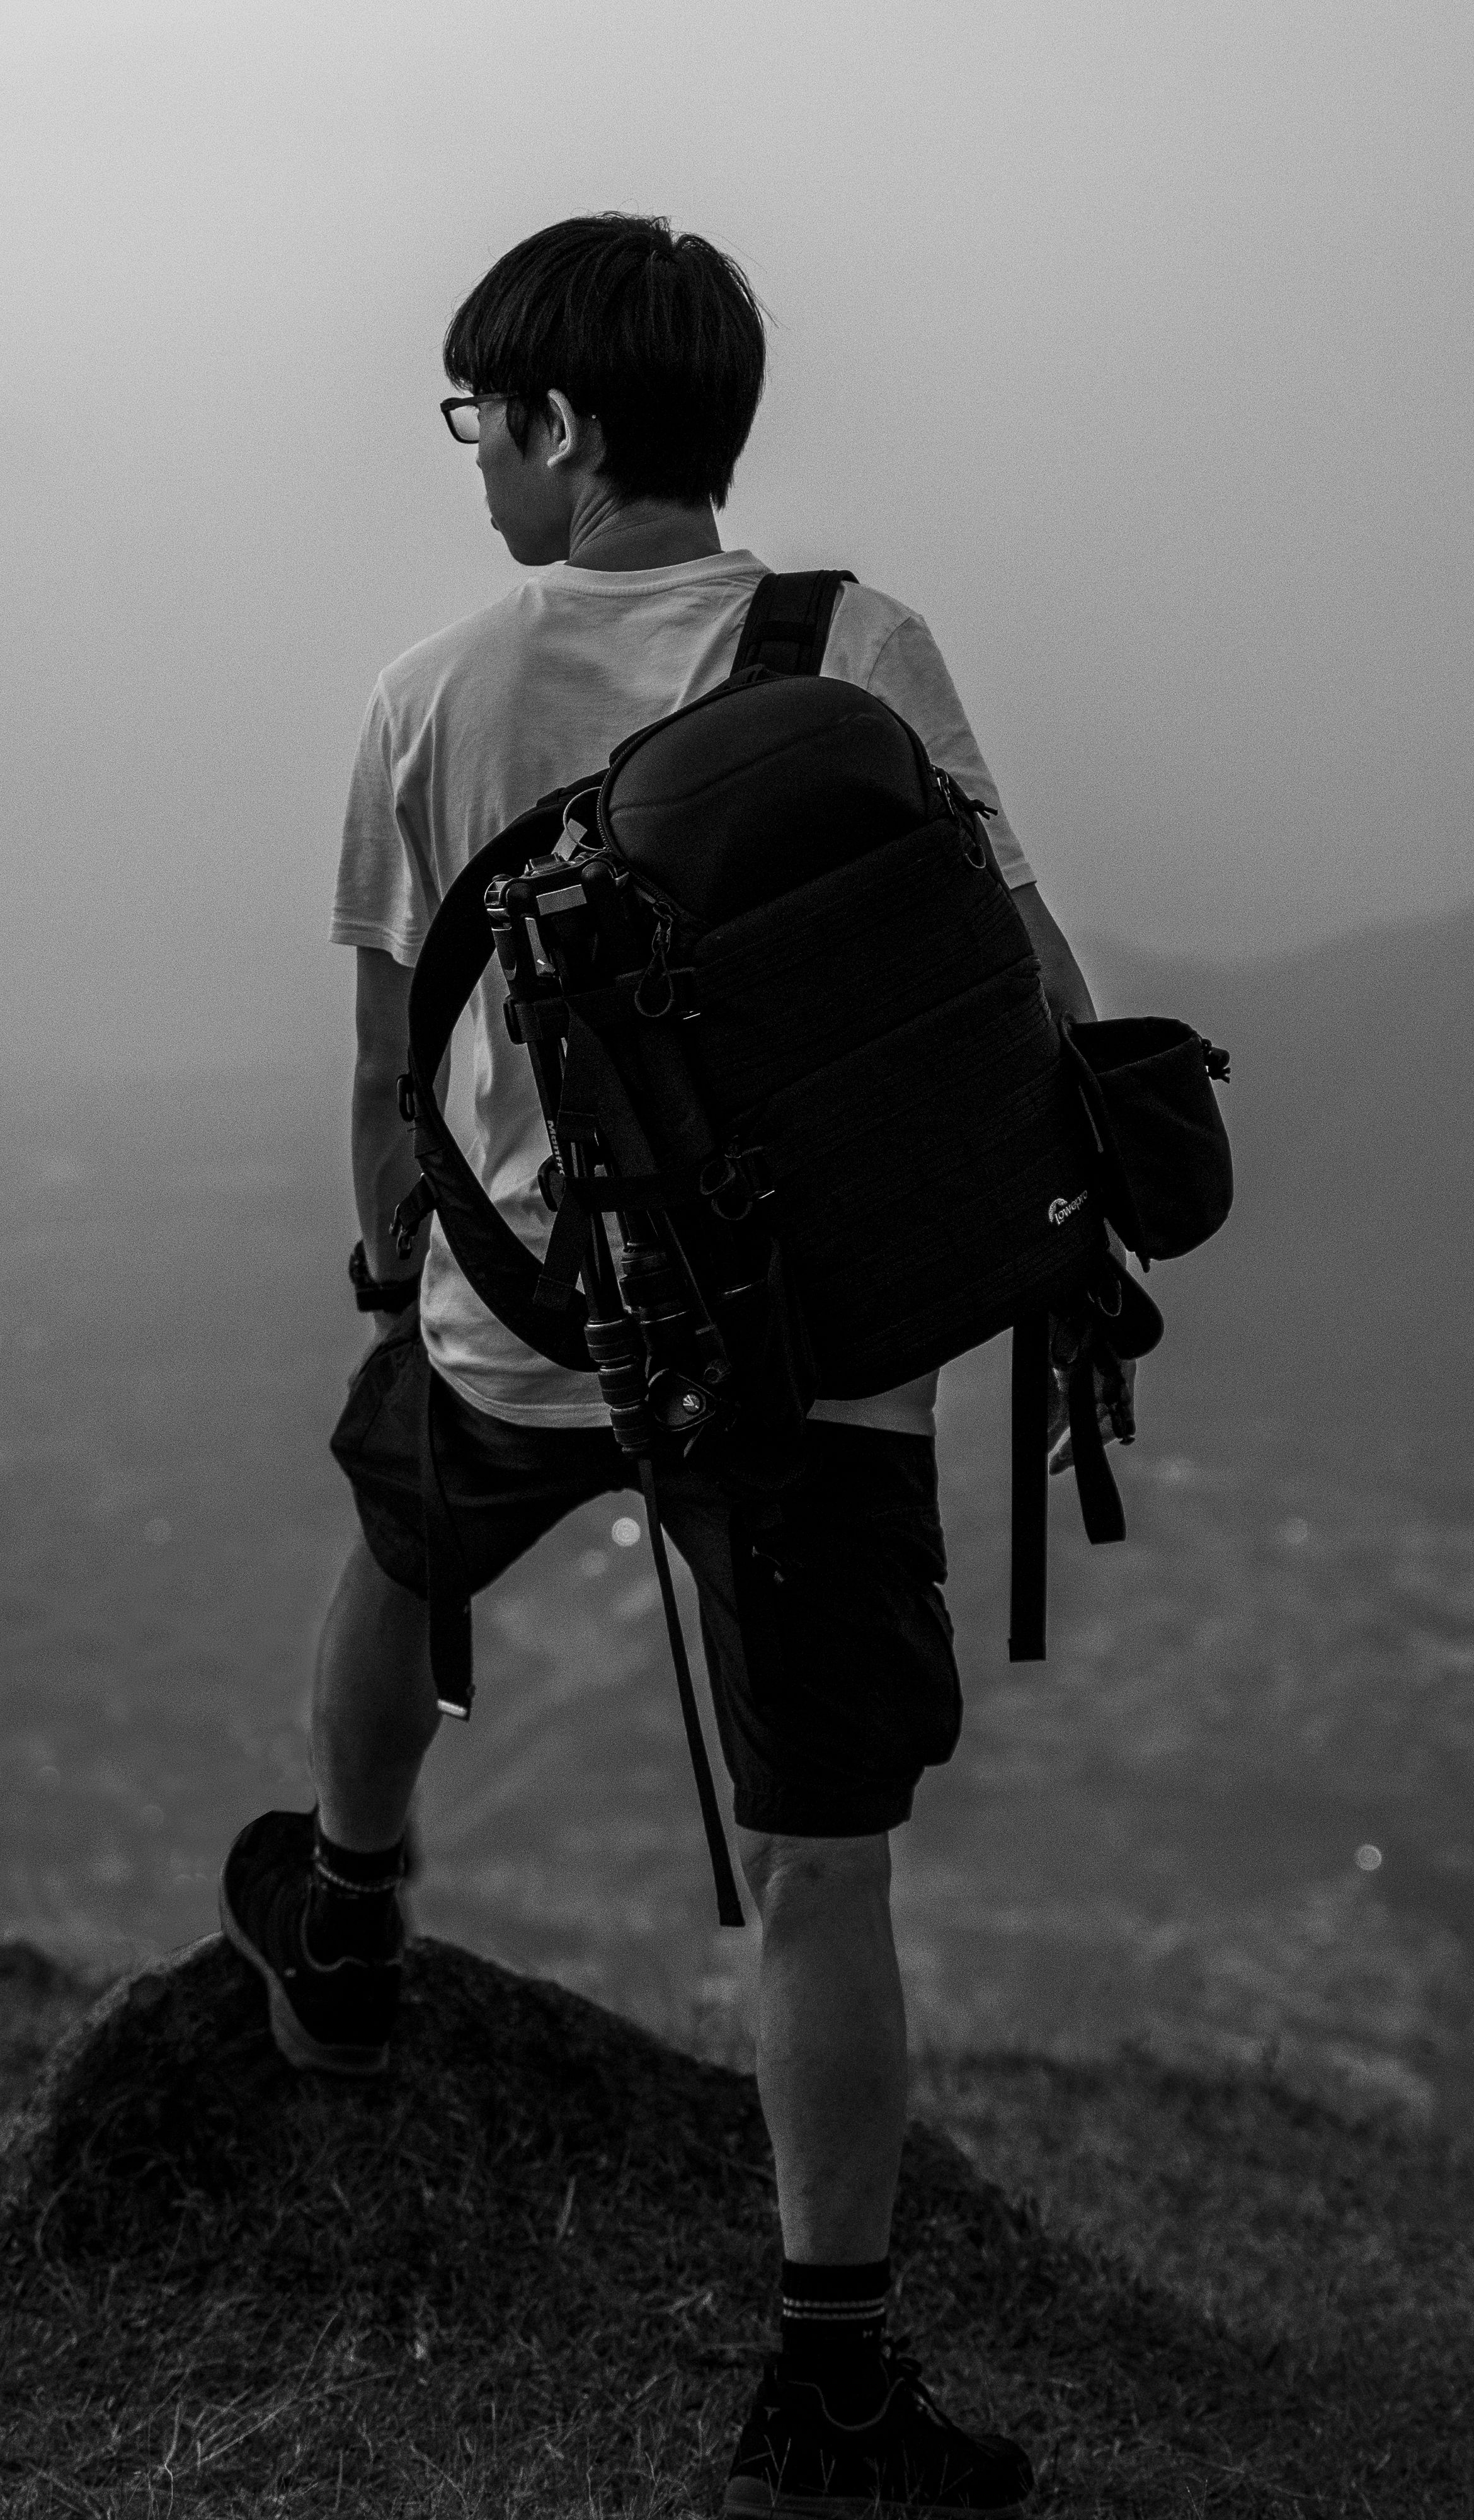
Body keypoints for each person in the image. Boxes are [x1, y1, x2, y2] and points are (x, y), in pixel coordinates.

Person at [220, 213, 1090, 2517]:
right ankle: (834, 2382)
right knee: (824, 1870)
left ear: (565, 424)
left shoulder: (432, 694)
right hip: (814, 1353)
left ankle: (349, 1913)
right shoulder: (855, 645)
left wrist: (399, 1260)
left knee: (400, 1552)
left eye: (479, 419)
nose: (474, 460)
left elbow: (388, 1078)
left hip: (522, 1317)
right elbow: (1020, 970)